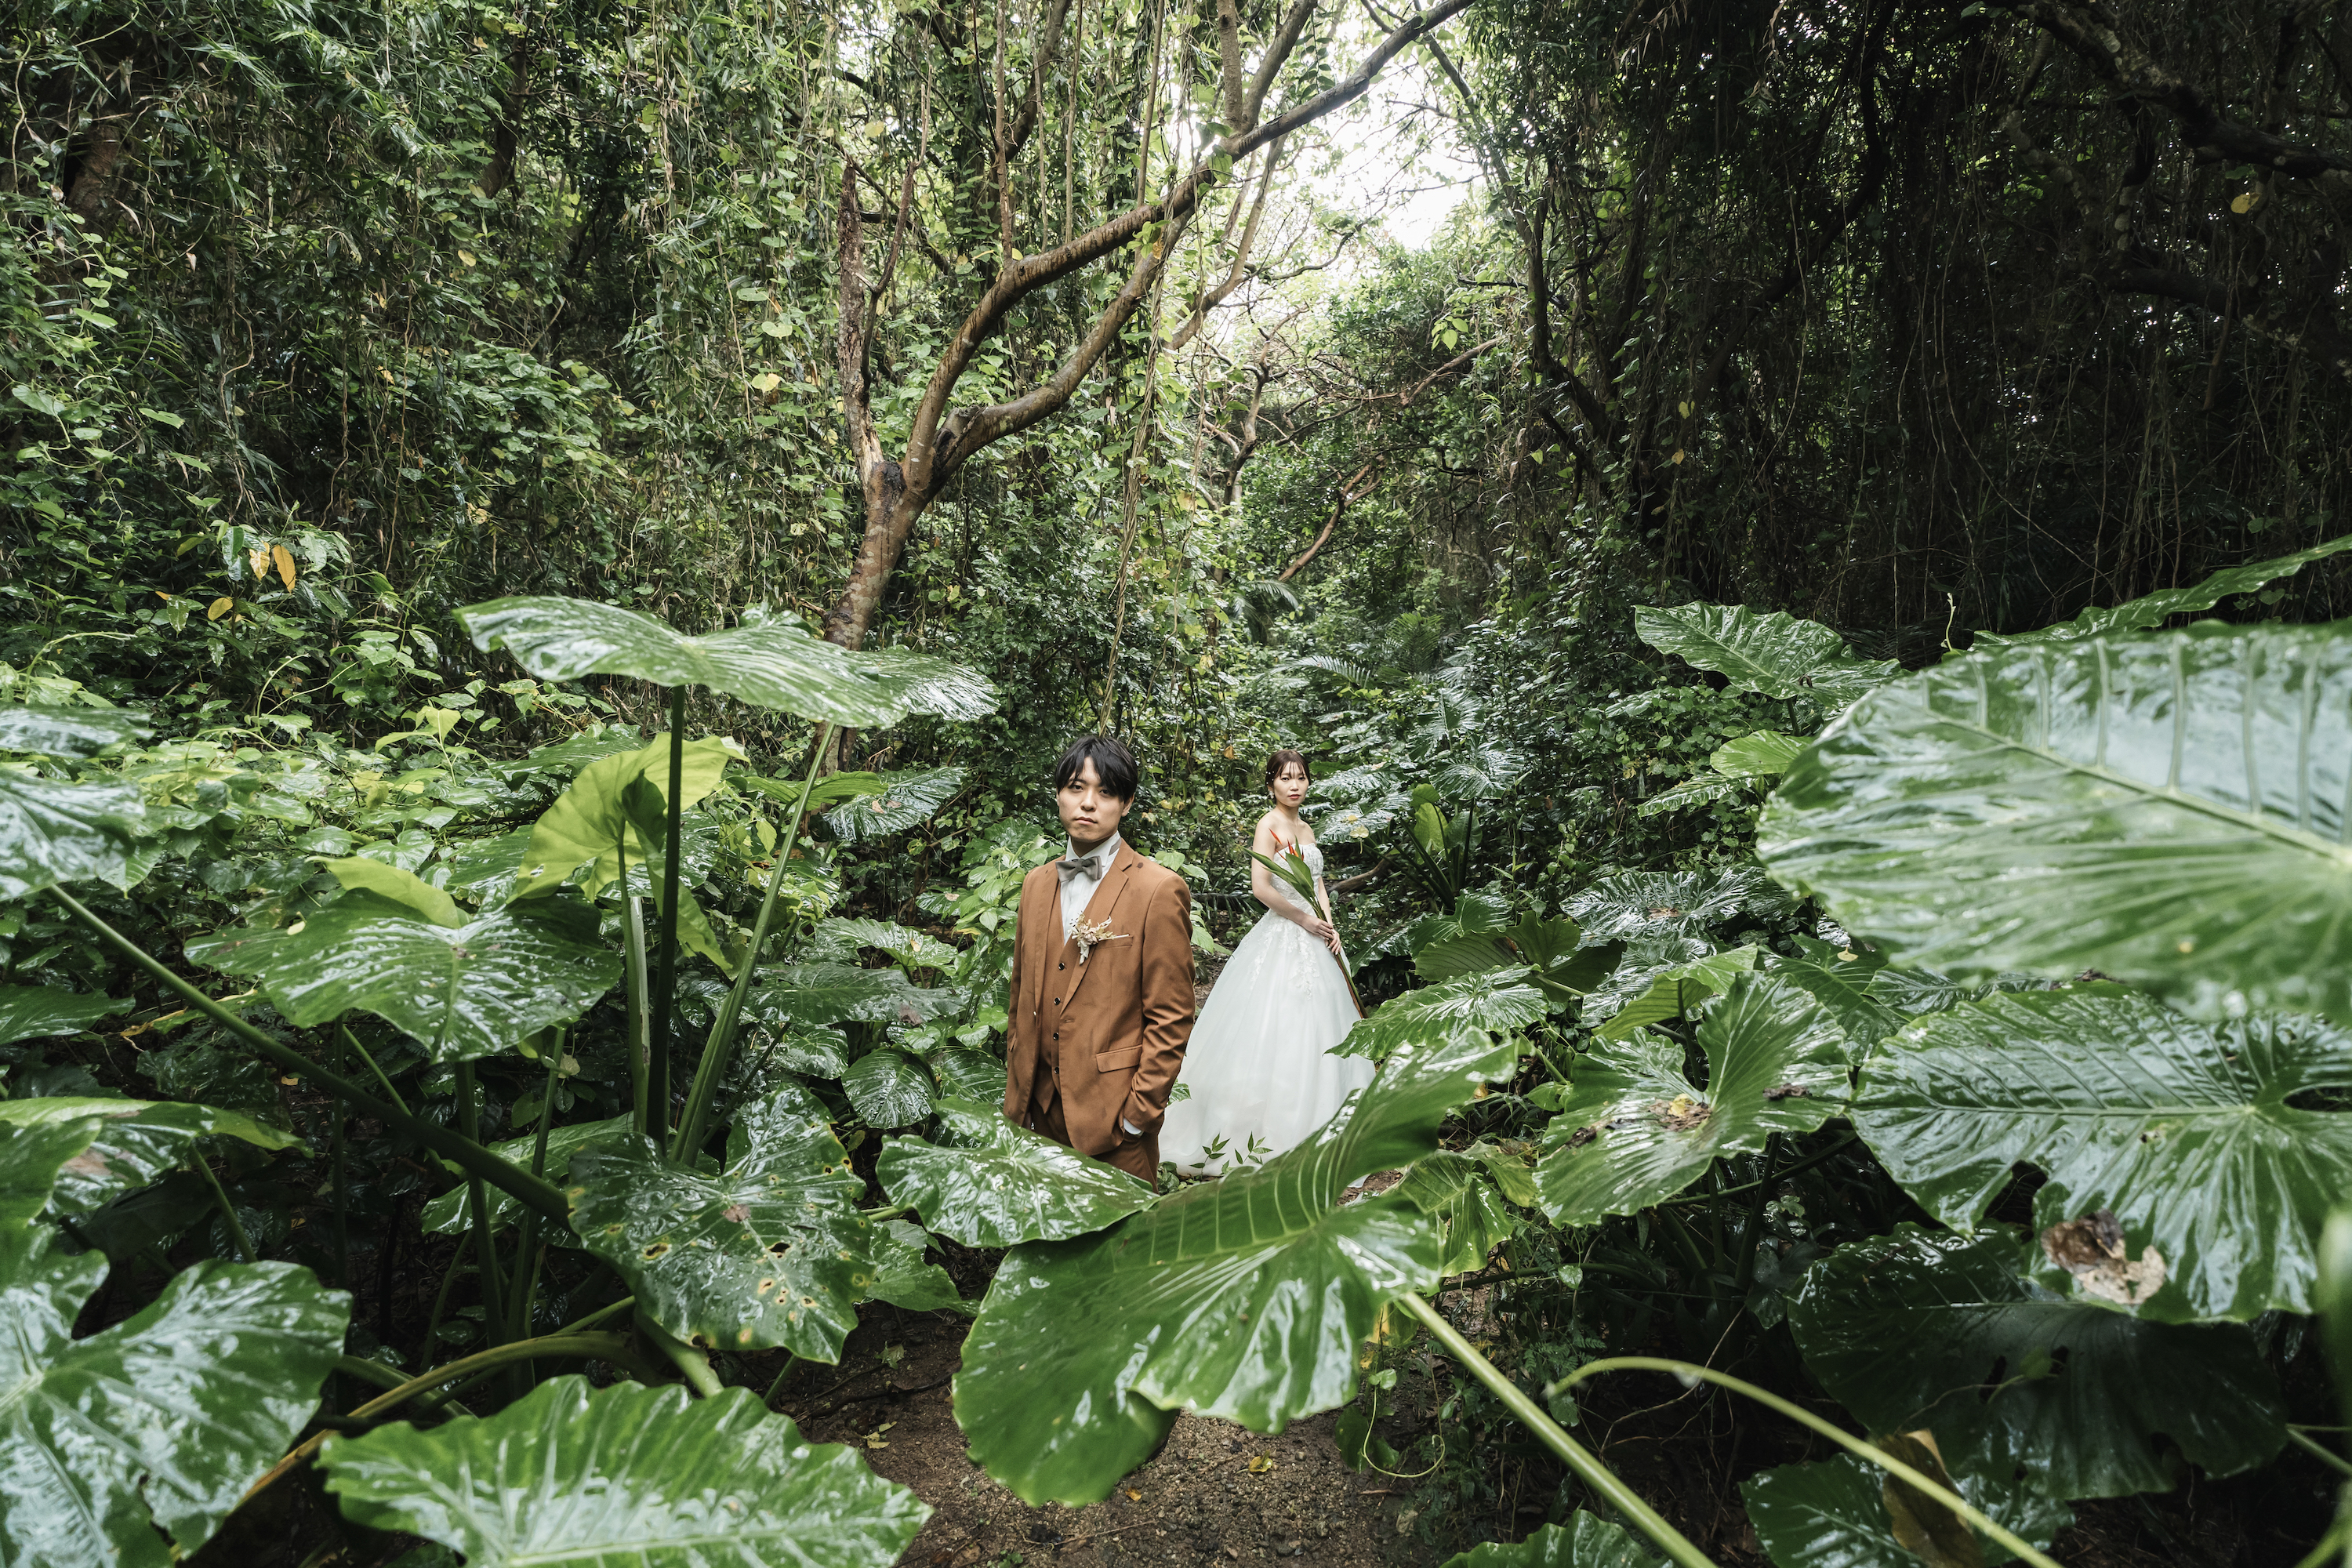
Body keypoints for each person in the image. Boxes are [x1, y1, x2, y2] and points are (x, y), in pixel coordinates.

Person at [1160, 750, 1372, 1174]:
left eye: (1301, 778)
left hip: (1318, 932)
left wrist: (1328, 925)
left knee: (1329, 1022)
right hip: (1285, 930)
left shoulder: (1306, 826)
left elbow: (1317, 883)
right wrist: (1305, 920)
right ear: (1271, 783)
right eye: (1285, 778)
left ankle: (1337, 1123)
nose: (1294, 785)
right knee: (1277, 1021)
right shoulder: (1269, 825)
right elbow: (1261, 888)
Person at [1000, 735, 1196, 1184]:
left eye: (1105, 792)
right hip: (1034, 1113)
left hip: (1112, 1120)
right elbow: (1020, 993)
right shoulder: (1034, 884)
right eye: (1076, 787)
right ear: (1058, 795)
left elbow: (1172, 1016)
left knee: (1121, 1248)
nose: (1088, 803)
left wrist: (1137, 1115)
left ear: (1125, 804)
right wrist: (1020, 1090)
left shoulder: (1158, 890)